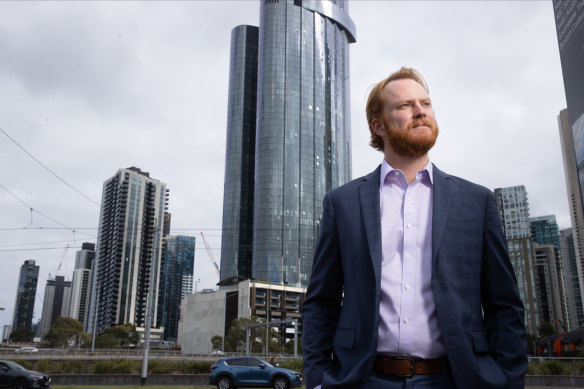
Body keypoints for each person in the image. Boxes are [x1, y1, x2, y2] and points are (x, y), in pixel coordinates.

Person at [301, 67, 527, 389]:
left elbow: (504, 304)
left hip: (457, 380)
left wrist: (508, 380)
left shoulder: (477, 201)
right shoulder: (343, 203)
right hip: (363, 380)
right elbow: (320, 302)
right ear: (378, 125)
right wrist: (320, 380)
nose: (420, 111)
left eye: (425, 103)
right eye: (405, 105)